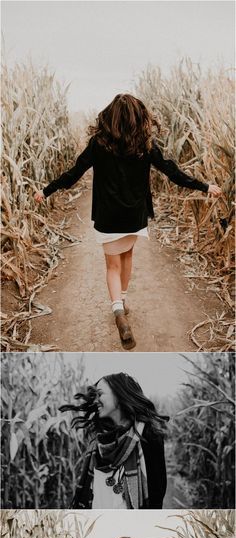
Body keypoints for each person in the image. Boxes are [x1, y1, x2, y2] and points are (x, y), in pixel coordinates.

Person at [34, 93, 222, 349]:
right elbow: (172, 172)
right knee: (127, 256)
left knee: (112, 266)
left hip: (107, 216)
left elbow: (73, 174)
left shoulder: (98, 144)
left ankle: (118, 310)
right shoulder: (145, 145)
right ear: (138, 118)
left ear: (109, 118)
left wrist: (46, 191)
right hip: (133, 215)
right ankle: (122, 300)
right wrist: (204, 186)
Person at [59, 372, 168, 509]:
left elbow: (156, 495)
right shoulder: (98, 440)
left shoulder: (148, 437)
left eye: (100, 394)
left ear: (119, 394)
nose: (95, 400)